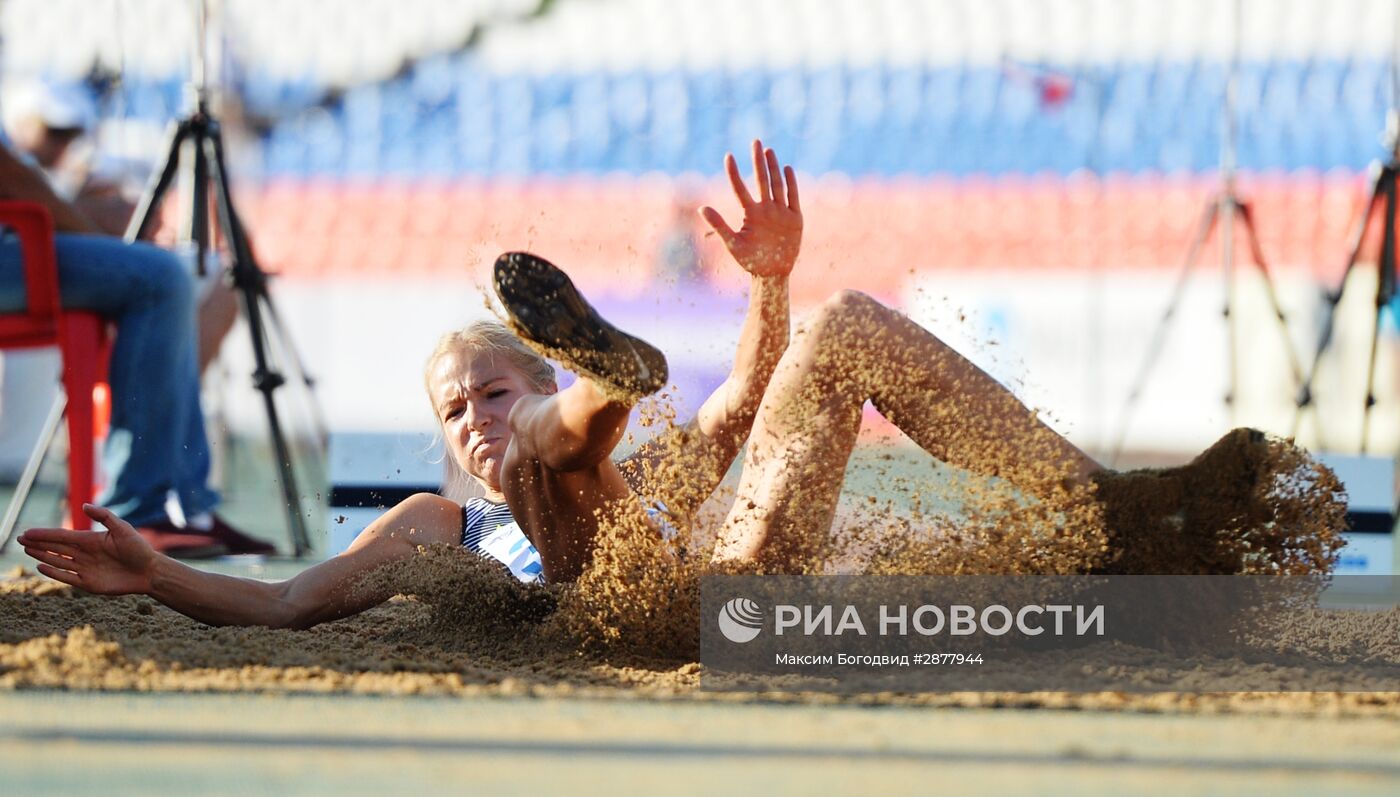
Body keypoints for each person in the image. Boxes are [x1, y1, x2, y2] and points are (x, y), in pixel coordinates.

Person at [17, 141, 1343, 629]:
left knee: (845, 325)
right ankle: (608, 375)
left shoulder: (652, 469)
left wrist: (768, 287)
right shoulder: (439, 527)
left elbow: (742, 407)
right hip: (645, 622)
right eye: (455, 410)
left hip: (747, 583)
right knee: (557, 463)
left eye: (489, 390)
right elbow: (292, 597)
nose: (470, 421)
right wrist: (160, 576)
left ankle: (1111, 514)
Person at [1, 137, 272, 557]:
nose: (61, 138)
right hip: (14, 244)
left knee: (184, 279)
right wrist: (90, 231)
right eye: (55, 131)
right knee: (160, 279)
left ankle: (186, 507)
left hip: (21, 237)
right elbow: (10, 174)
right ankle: (138, 509)